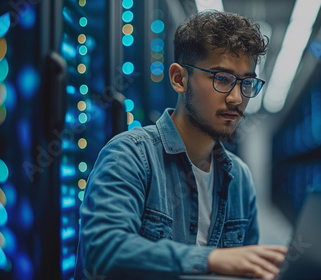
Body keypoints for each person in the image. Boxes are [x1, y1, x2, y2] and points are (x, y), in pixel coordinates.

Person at [74, 10, 287, 280]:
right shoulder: (131, 154)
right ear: (179, 79)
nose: (236, 97)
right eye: (222, 78)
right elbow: (103, 252)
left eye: (246, 83)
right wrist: (211, 260)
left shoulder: (239, 178)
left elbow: (249, 270)